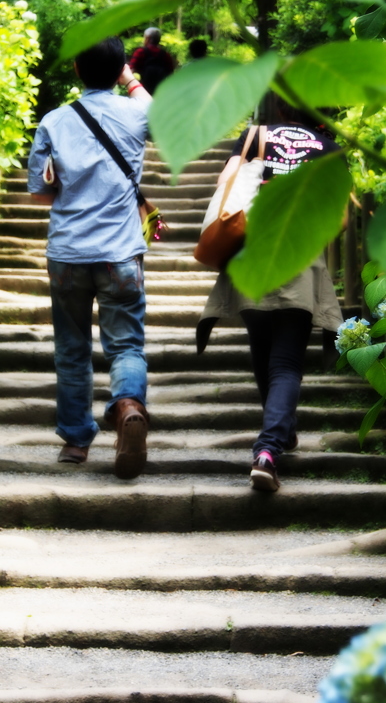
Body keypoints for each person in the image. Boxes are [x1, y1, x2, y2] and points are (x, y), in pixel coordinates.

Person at [196, 100, 344, 493]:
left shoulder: (255, 135)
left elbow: (225, 184)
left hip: (249, 253)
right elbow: (341, 217)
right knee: (288, 361)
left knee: (262, 348)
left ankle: (279, 433)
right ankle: (268, 450)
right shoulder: (330, 150)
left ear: (279, 107)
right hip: (298, 254)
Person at [27, 37, 153, 480]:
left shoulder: (54, 121)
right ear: (120, 67)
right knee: (126, 345)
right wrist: (131, 81)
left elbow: (41, 194)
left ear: (77, 69)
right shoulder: (136, 112)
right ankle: (129, 406)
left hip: (67, 252)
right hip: (120, 252)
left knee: (72, 346)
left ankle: (77, 440)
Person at [129, 27, 176, 94]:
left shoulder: (140, 52)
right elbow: (171, 75)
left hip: (143, 92)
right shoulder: (166, 55)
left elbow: (130, 71)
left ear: (147, 38)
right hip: (160, 93)